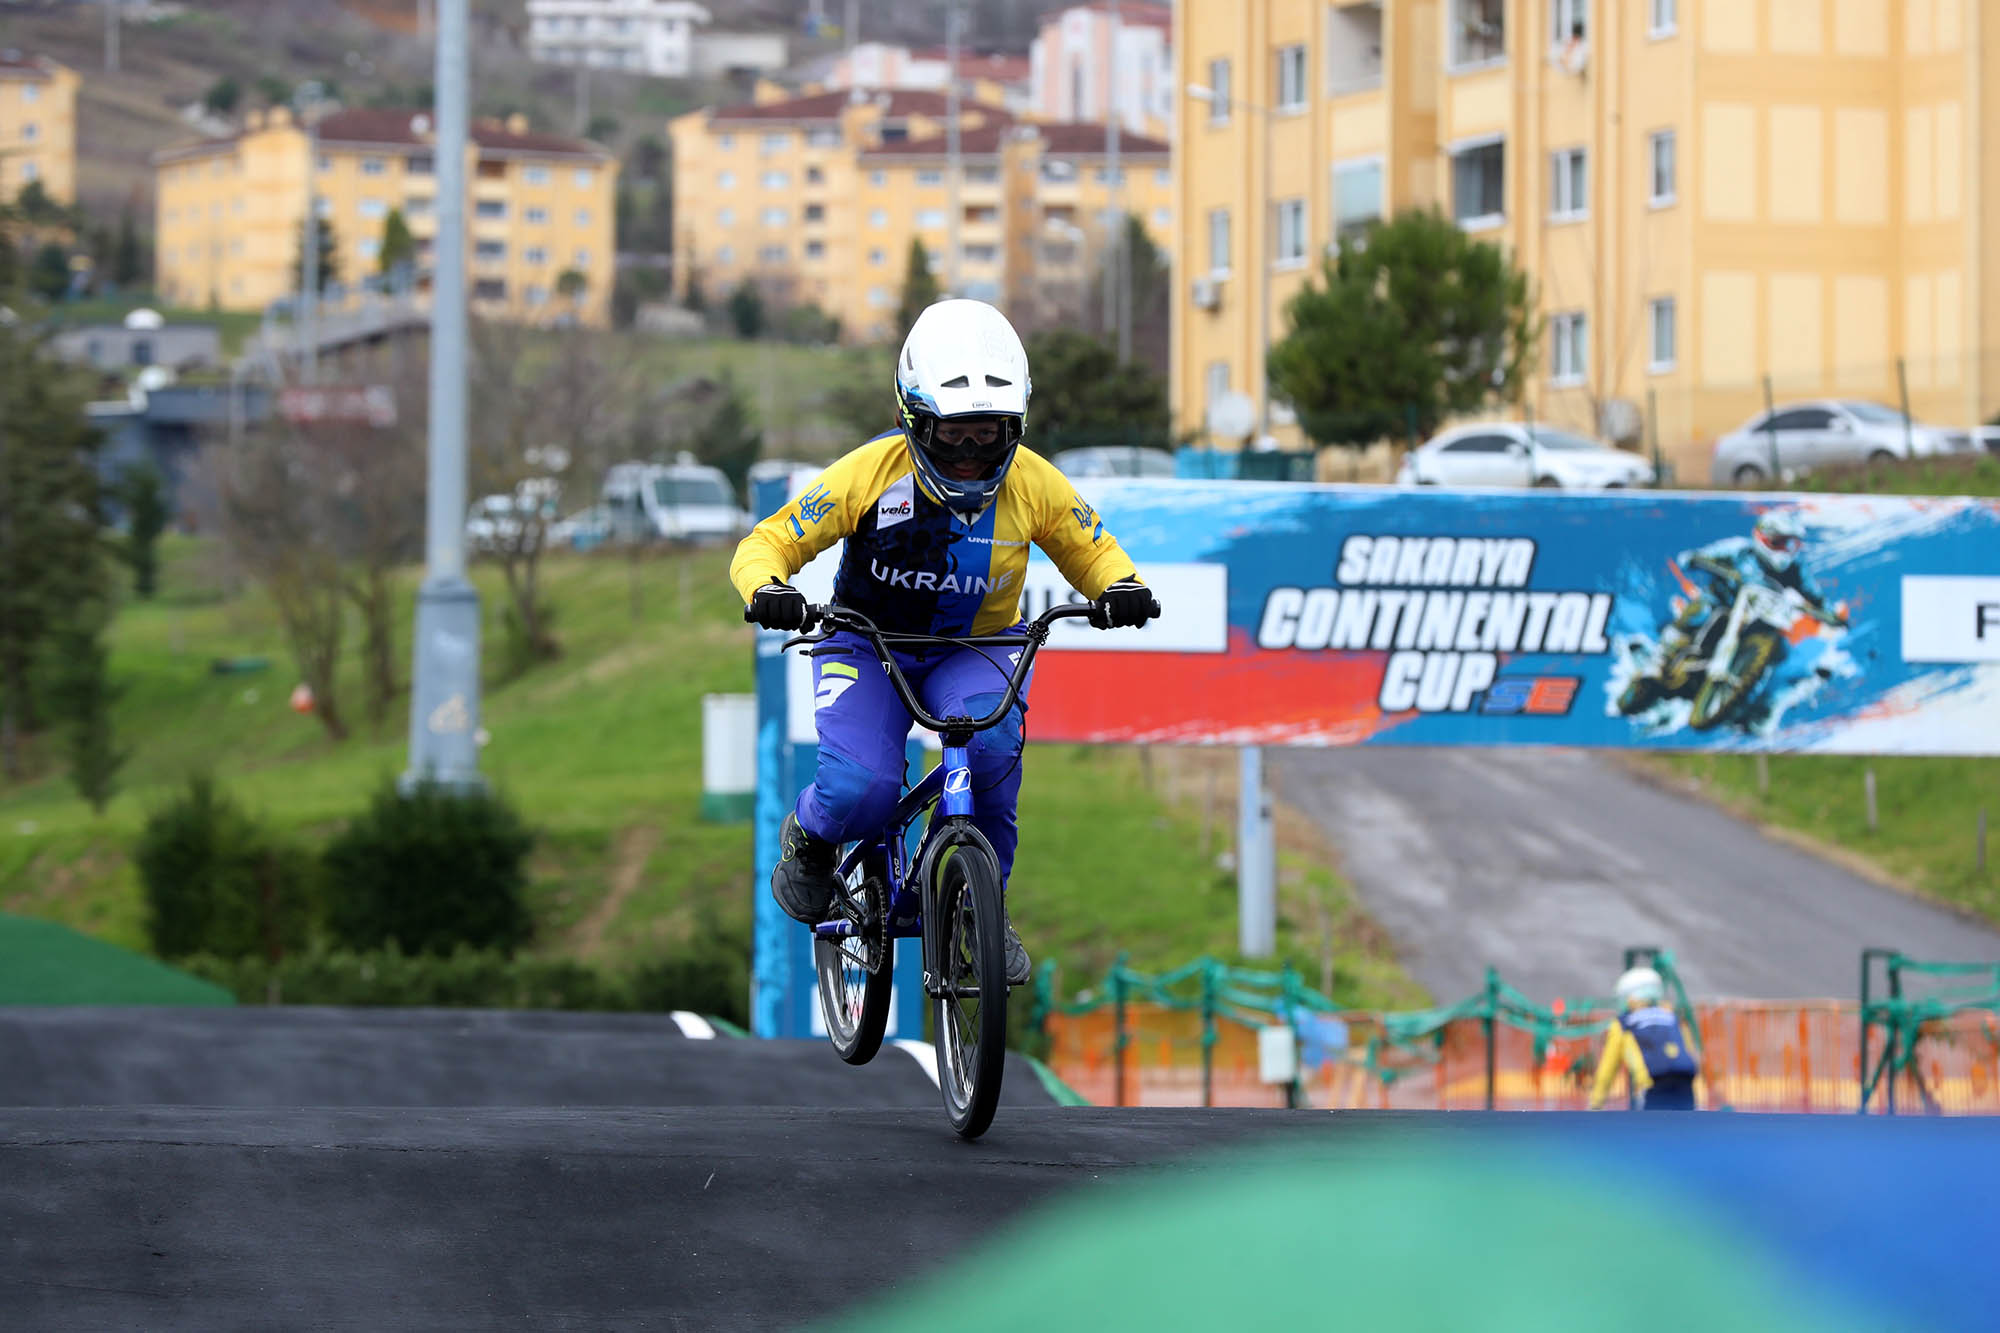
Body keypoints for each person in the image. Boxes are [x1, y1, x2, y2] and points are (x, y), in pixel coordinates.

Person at [730, 298, 1158, 985]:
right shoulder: (870, 472)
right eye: (951, 436)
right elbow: (768, 541)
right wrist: (767, 588)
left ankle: (970, 903)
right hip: (868, 643)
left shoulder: (1035, 484)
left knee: (989, 758)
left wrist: (1121, 587)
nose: (968, 456)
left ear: (1015, 430)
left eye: (988, 437)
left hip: (978, 648)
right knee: (860, 789)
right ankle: (809, 839)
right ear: (911, 421)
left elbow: (1095, 549)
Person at [1588, 966, 1704, 1111]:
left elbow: (1608, 1068)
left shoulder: (1624, 1023)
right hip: (1685, 1083)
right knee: (1685, 1131)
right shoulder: (1671, 1016)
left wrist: (1596, 1103)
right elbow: (1689, 1052)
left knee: (1654, 1131)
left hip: (1653, 1086)